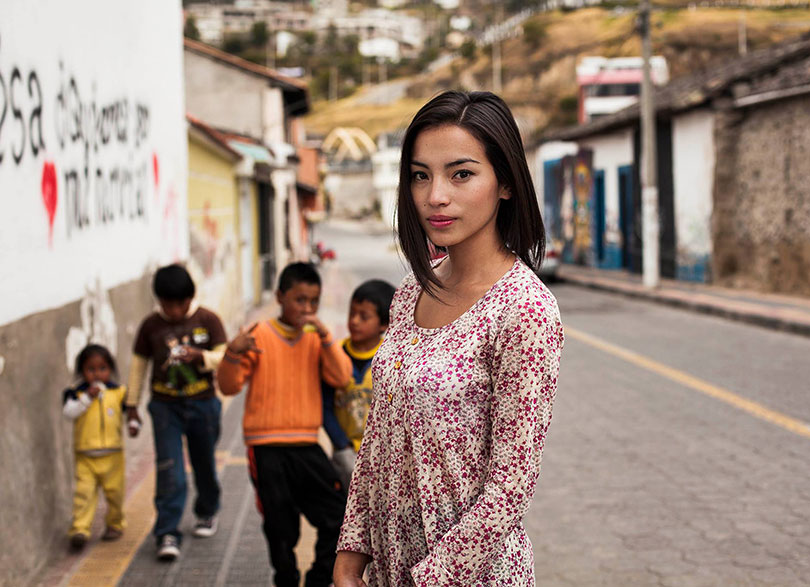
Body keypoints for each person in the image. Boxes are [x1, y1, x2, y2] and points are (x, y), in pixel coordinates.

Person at [334, 90, 564, 587]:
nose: (435, 195)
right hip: (388, 564)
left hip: (467, 575)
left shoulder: (524, 309)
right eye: (421, 175)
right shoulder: (411, 291)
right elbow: (377, 436)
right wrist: (351, 549)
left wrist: (432, 577)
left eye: (461, 174)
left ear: (505, 183)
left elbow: (512, 481)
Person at [217, 262, 352, 587]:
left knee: (336, 515)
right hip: (265, 449)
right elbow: (229, 387)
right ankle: (285, 579)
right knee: (280, 526)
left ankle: (319, 579)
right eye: (299, 300)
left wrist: (325, 336)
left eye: (313, 301)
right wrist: (232, 354)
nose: (307, 308)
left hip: (306, 445)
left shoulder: (315, 339)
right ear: (279, 296)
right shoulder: (258, 334)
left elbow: (341, 376)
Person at [125, 264, 228, 561]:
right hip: (164, 407)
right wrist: (131, 405)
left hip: (204, 404)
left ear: (189, 298)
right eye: (165, 305)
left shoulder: (208, 320)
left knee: (204, 463)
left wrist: (202, 357)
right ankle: (167, 530)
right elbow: (138, 366)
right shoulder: (150, 326)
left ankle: (207, 510)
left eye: (177, 304)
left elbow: (226, 357)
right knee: (169, 468)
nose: (171, 311)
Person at [321, 279, 397, 489]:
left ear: (384, 323)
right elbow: (325, 406)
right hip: (344, 454)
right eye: (351, 313)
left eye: (364, 317)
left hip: (382, 454)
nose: (354, 321)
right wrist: (341, 444)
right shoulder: (335, 356)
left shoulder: (391, 358)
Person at [63, 344, 130, 550]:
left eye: (102, 368)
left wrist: (135, 424)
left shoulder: (119, 392)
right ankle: (80, 531)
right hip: (85, 455)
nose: (97, 374)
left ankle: (114, 524)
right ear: (81, 371)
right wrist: (87, 398)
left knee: (115, 493)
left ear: (110, 369)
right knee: (84, 495)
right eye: (91, 370)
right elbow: (69, 413)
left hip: (113, 454)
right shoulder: (75, 393)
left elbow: (131, 414)